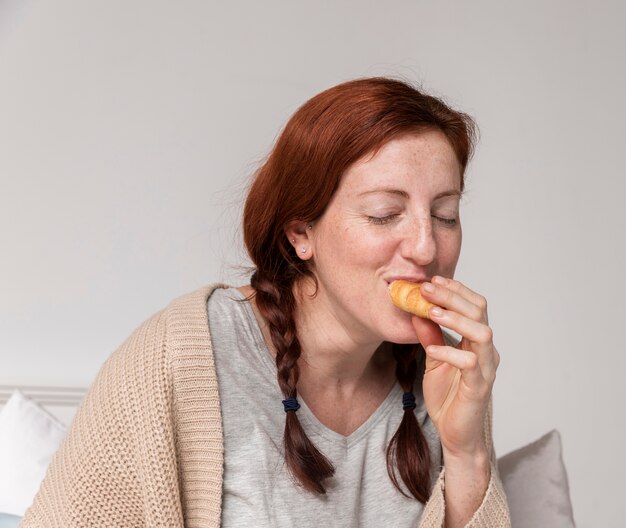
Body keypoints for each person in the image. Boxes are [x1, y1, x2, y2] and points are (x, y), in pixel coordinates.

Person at [21, 78, 510, 527]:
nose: (426, 248)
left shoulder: (447, 373)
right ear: (301, 232)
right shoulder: (178, 359)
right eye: (385, 214)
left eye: (445, 215)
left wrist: (466, 452)